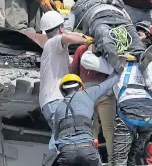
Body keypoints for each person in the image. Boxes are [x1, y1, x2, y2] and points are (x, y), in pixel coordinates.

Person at [81, 22, 152, 166]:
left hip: (129, 114)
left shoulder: (119, 63)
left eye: (139, 34)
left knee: (119, 161)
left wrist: (91, 46)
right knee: (132, 159)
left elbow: (87, 61)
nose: (134, 36)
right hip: (149, 118)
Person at [71, 0, 152, 74]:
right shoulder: (81, 3)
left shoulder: (114, 0)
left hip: (119, 17)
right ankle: (112, 56)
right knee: (103, 31)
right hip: (99, 18)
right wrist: (67, 29)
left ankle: (142, 56)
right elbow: (72, 16)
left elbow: (126, 16)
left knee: (131, 31)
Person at [39, 11, 93, 150]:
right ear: (61, 28)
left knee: (61, 135)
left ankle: (55, 159)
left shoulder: (55, 53)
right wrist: (89, 39)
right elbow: (66, 38)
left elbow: (72, 63)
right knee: (62, 133)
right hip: (55, 100)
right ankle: (51, 159)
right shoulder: (52, 42)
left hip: (50, 102)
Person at [50, 69, 122, 166]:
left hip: (66, 153)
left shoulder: (58, 108)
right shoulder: (88, 94)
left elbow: (56, 136)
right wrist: (119, 71)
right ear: (80, 87)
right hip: (87, 150)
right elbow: (106, 84)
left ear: (63, 91)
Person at [70, 44, 116, 165]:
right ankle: (113, 161)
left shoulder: (82, 49)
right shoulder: (109, 48)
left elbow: (73, 72)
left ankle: (93, 160)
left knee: (91, 129)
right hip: (106, 91)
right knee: (109, 129)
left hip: (86, 93)